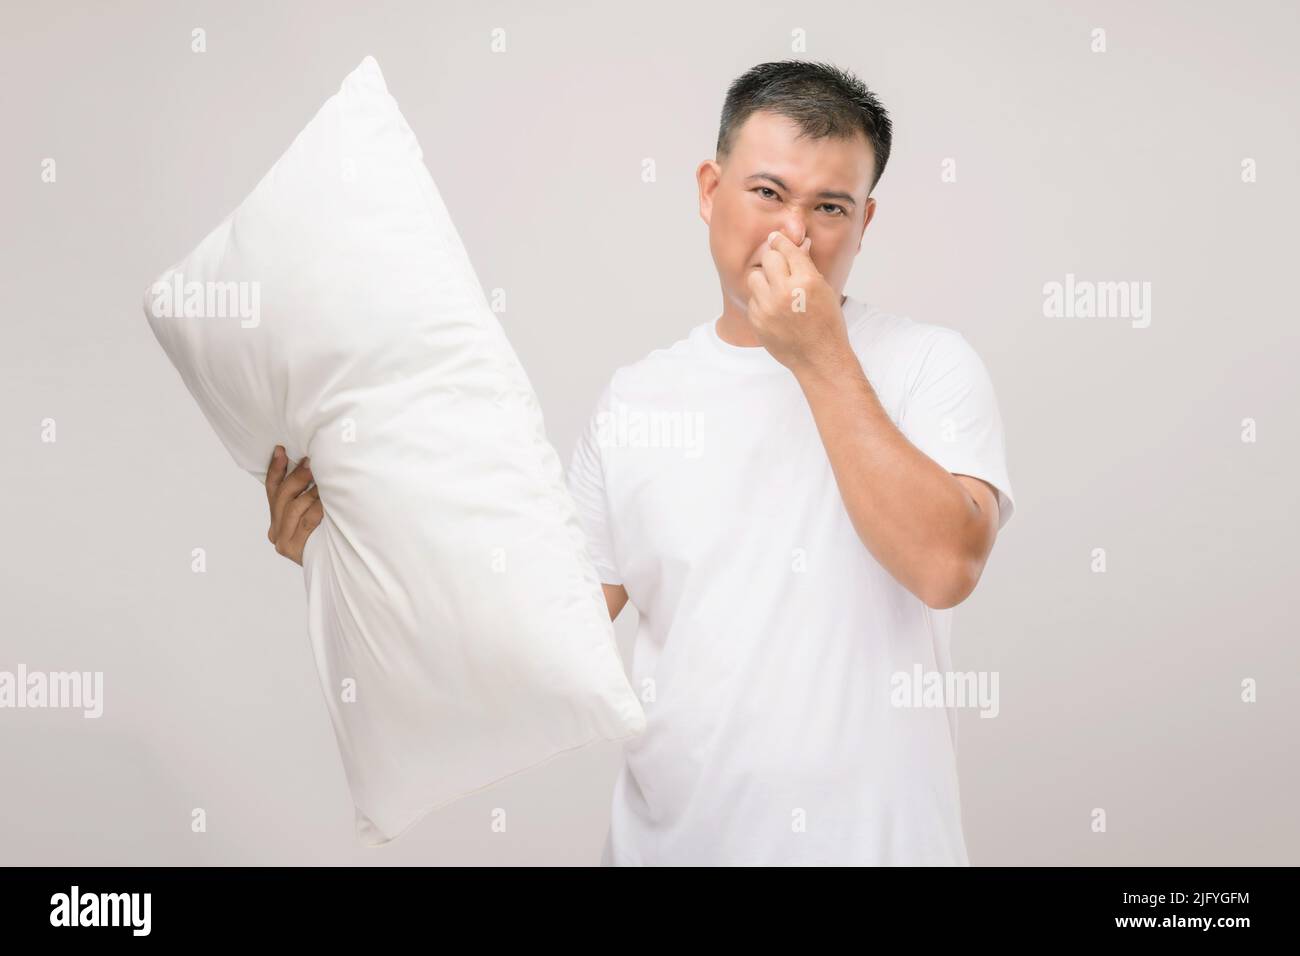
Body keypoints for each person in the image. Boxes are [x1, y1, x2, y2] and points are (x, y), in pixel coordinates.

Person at [264, 59, 1016, 866]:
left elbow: (947, 563)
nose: (794, 234)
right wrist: (346, 555)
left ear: (865, 222)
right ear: (708, 190)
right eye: (767, 192)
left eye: (829, 207)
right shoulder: (638, 401)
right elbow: (542, 637)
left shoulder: (930, 365)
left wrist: (818, 351)